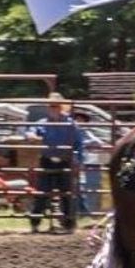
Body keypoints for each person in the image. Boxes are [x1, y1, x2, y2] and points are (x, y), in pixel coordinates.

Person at [26, 93, 83, 232]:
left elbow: (79, 144)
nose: (53, 109)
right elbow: (31, 131)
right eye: (51, 106)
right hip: (47, 161)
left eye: (55, 106)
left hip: (65, 161)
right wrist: (31, 135)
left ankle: (69, 224)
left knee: (66, 193)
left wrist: (77, 160)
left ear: (61, 107)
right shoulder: (43, 123)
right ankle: (35, 223)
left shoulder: (71, 124)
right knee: (42, 192)